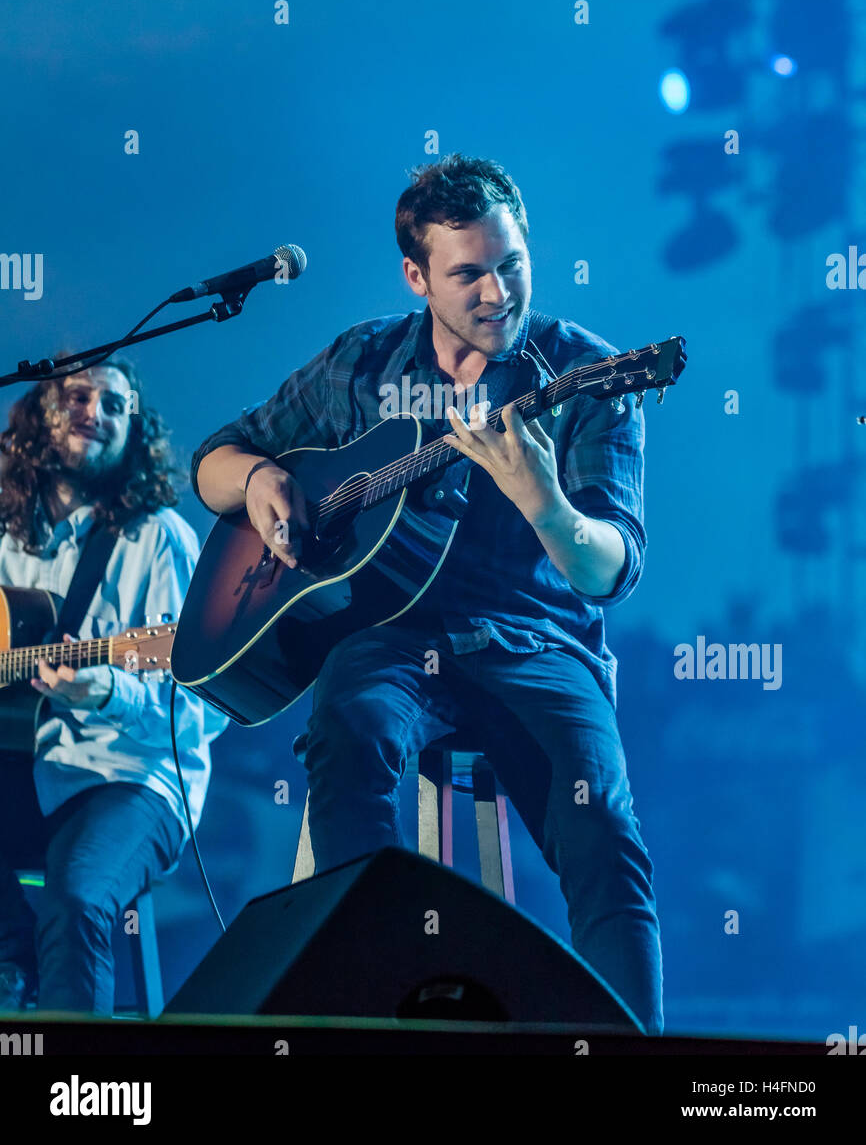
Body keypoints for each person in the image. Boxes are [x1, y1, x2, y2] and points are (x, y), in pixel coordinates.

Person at [191, 154, 663, 1034]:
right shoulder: (362, 363)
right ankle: (371, 1006)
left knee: (605, 834)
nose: (497, 291)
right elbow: (213, 460)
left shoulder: (590, 375)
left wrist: (547, 505)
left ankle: (636, 1064)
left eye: (511, 263)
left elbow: (610, 569)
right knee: (348, 730)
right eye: (468, 273)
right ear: (416, 276)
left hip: (536, 642)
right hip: (392, 638)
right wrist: (260, 478)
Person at [0, 356, 227, 1014]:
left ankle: (79, 1084)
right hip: (21, 767)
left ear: (135, 429)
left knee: (75, 899)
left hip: (129, 780)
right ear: (39, 412)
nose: (93, 413)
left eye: (112, 404)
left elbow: (200, 710)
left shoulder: (162, 541)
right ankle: (13, 966)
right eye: (75, 397)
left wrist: (106, 692)